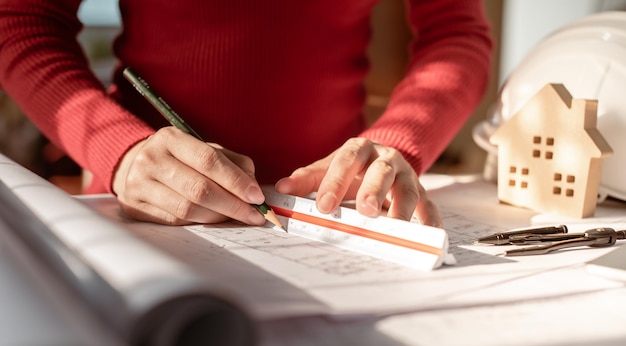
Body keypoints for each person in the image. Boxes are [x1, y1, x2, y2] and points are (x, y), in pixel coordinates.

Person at [0, 0, 492, 229]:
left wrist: (398, 139)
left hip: (335, 211)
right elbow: (22, 22)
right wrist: (119, 150)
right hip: (144, 205)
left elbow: (457, 34)